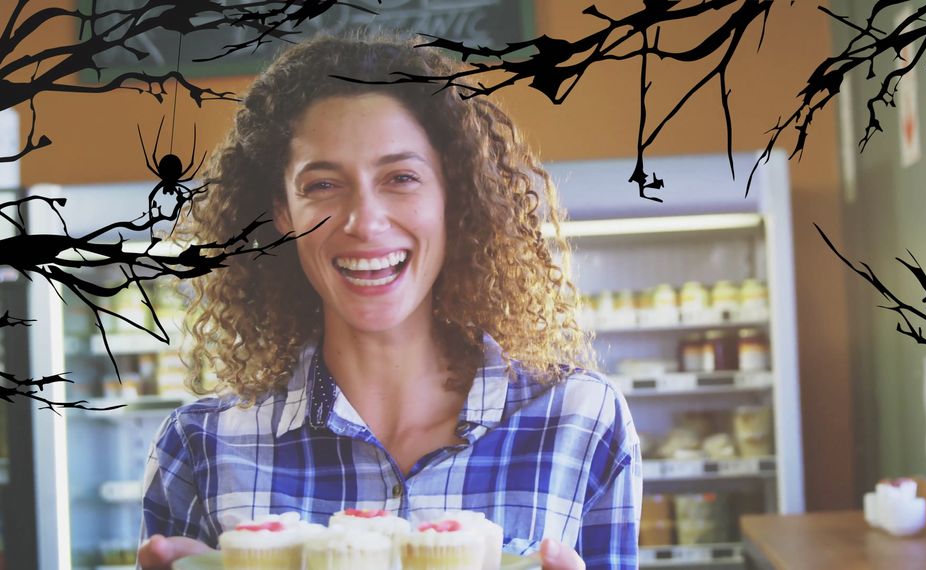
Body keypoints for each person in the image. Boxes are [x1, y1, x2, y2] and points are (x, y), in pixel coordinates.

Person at [136, 30, 642, 570]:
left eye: (401, 178)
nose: (365, 221)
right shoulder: (200, 446)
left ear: (454, 196)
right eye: (323, 185)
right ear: (282, 215)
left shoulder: (579, 421)